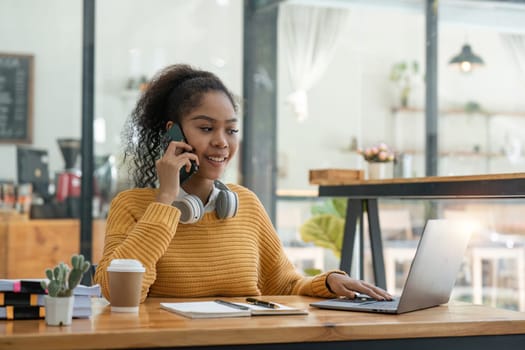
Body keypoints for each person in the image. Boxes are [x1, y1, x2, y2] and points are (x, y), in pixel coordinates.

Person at [94, 63, 392, 303]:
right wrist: (166, 198)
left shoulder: (244, 203)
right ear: (174, 134)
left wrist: (327, 282)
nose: (222, 142)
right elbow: (116, 293)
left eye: (232, 130)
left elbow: (284, 284)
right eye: (206, 128)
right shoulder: (132, 206)